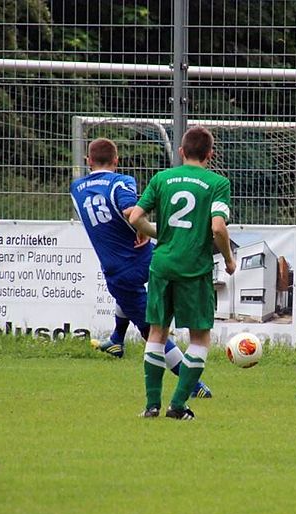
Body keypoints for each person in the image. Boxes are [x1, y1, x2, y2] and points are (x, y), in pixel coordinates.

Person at [69, 137, 212, 398]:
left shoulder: (76, 187)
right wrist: (144, 228)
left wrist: (134, 225)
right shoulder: (121, 181)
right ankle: (118, 341)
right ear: (116, 160)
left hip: (118, 269)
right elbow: (130, 211)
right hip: (147, 256)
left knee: (152, 332)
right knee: (148, 311)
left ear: (88, 161)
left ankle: (193, 386)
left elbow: (121, 214)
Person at [128, 126, 235, 420]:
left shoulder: (162, 179)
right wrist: (228, 259)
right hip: (193, 268)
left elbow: (135, 217)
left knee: (157, 333)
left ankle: (151, 405)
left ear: (181, 151)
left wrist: (160, 234)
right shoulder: (217, 183)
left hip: (162, 265)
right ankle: (177, 405)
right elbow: (218, 228)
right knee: (199, 338)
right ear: (210, 154)